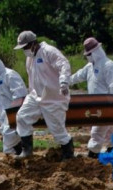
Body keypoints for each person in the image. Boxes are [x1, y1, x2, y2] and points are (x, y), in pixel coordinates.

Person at [13, 31, 74, 161]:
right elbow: (32, 78)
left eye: (25, 47)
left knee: (57, 131)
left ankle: (68, 156)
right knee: (22, 117)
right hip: (35, 96)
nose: (25, 50)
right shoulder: (30, 58)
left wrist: (63, 81)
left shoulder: (49, 52)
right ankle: (27, 150)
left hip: (53, 98)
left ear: (33, 43)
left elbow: (64, 64)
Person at [69, 37, 113, 158]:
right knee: (110, 132)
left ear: (96, 51)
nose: (88, 56)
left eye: (89, 54)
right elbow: (77, 76)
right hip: (95, 105)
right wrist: (63, 82)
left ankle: (92, 156)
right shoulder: (89, 67)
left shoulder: (109, 65)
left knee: (96, 132)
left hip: (106, 106)